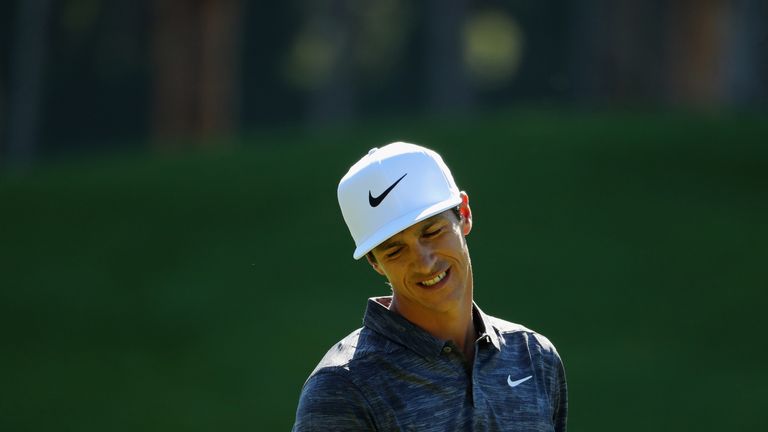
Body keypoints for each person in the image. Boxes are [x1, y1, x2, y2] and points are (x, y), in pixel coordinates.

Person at [292, 142, 567, 431]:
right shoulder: (341, 388)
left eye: (433, 232)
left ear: (464, 213)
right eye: (395, 251)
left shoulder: (533, 356)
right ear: (374, 262)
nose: (424, 263)